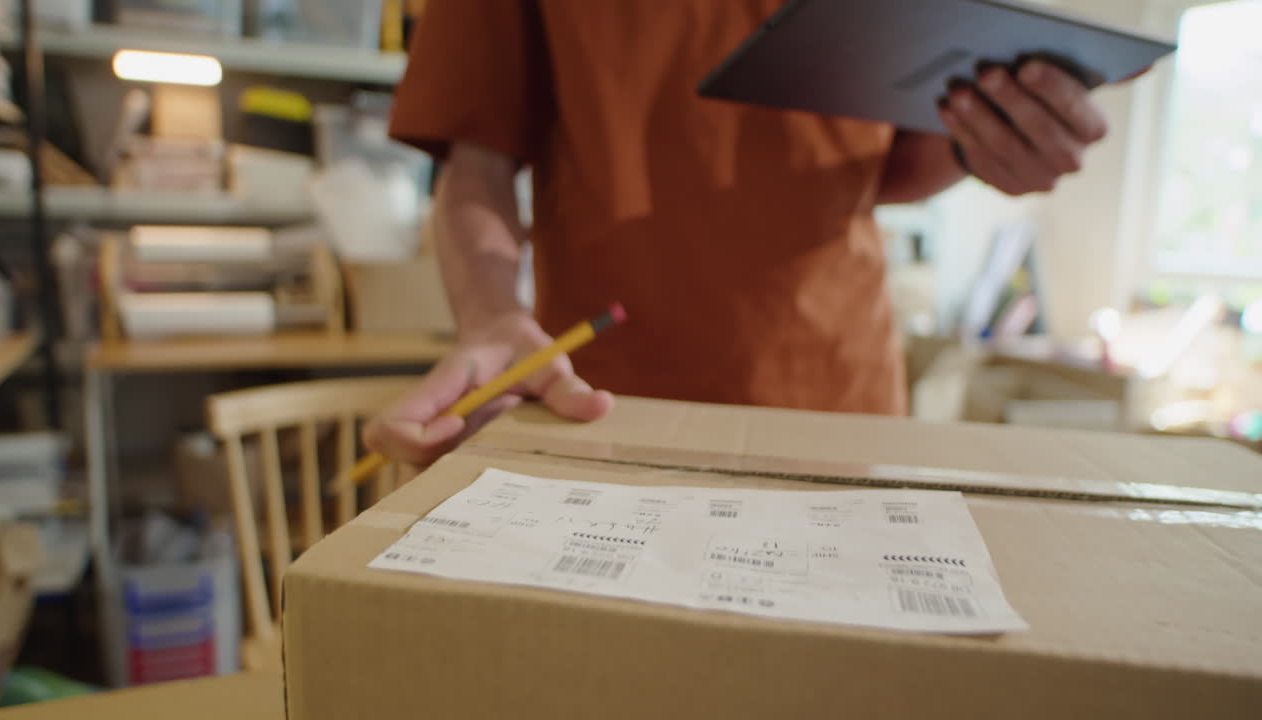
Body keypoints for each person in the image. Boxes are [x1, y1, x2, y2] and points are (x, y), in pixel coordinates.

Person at [364, 1, 1112, 466]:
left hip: (839, 404)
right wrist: (493, 314)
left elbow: (884, 163)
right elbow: (476, 165)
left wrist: (985, 140)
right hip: (604, 407)